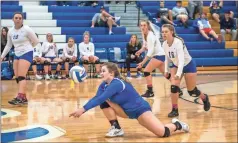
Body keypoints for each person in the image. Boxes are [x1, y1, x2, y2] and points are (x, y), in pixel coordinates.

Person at [69, 62, 189, 138]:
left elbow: (101, 97)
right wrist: (83, 109)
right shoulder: (103, 85)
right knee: (103, 101)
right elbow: (98, 98)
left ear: (111, 73)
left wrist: (83, 109)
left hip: (140, 110)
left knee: (162, 133)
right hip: (125, 111)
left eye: (103, 71)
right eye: (101, 71)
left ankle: (178, 125)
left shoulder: (116, 83)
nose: (101, 73)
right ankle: (116, 128)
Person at [161, 24, 211, 117]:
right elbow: (167, 58)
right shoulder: (164, 44)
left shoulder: (178, 42)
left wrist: (178, 74)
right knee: (174, 87)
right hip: (176, 65)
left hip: (188, 64)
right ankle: (174, 109)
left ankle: (204, 98)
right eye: (162, 32)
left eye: (166, 31)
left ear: (171, 32)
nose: (164, 33)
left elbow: (181, 59)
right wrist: (166, 70)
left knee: (192, 91)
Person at [135, 20, 183, 98]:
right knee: (166, 75)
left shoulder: (150, 36)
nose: (143, 27)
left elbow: (150, 52)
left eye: (144, 25)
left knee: (146, 71)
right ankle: (177, 89)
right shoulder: (144, 34)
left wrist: (142, 63)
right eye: (141, 25)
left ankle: (150, 91)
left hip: (158, 56)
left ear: (148, 26)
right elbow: (145, 46)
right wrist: (140, 51)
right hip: (160, 55)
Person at [0, 12, 39, 105]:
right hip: (17, 54)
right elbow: (9, 45)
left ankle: (20, 96)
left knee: (21, 76)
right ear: (13, 19)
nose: (18, 19)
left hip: (26, 53)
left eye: (20, 18)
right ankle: (24, 97)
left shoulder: (27, 29)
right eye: (16, 18)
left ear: (22, 20)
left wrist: (28, 47)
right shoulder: (11, 31)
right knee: (17, 77)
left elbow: (36, 41)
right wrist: (2, 56)